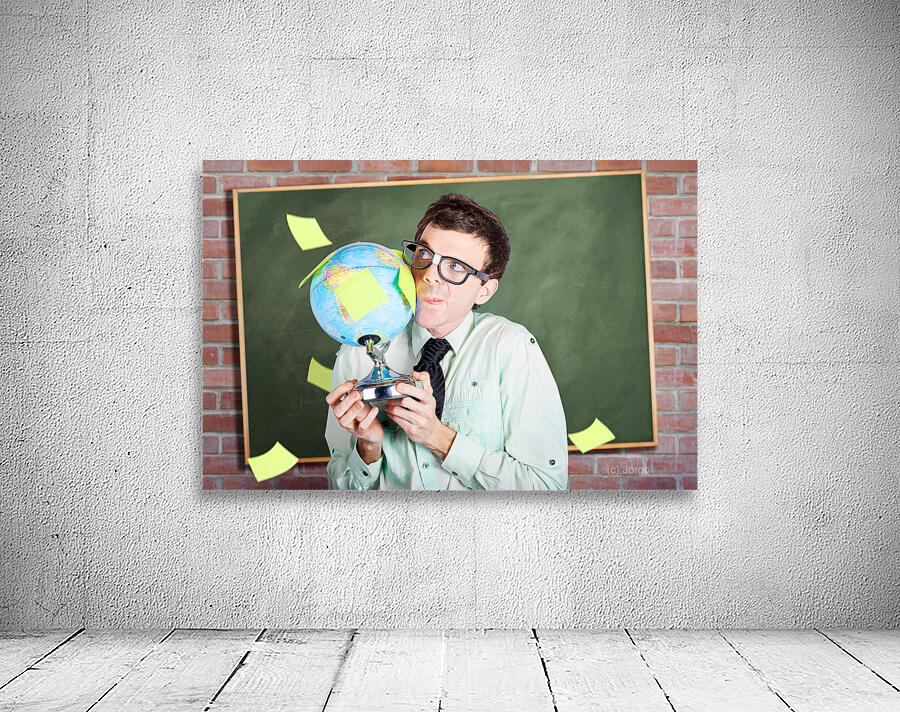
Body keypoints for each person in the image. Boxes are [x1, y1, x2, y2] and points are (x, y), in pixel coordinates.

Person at [324, 193, 568, 490]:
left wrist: (436, 436)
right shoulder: (359, 350)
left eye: (455, 267)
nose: (429, 276)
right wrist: (369, 448)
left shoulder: (511, 348)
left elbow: (547, 487)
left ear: (485, 291)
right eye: (424, 255)